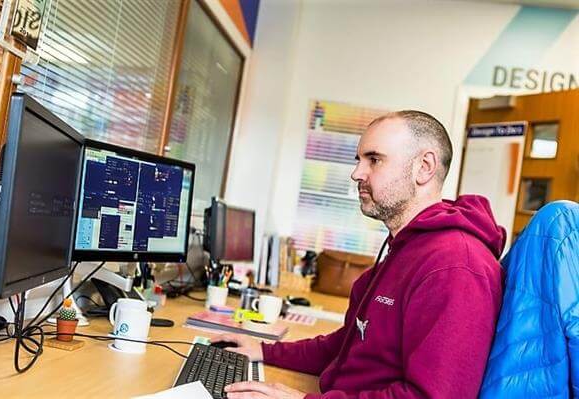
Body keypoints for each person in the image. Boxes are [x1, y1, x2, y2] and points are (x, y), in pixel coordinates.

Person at [213, 111, 506, 398]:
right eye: (359, 160)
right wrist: (262, 351)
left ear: (424, 167)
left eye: (374, 160)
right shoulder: (405, 248)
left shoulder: (454, 265)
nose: (356, 173)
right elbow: (347, 346)